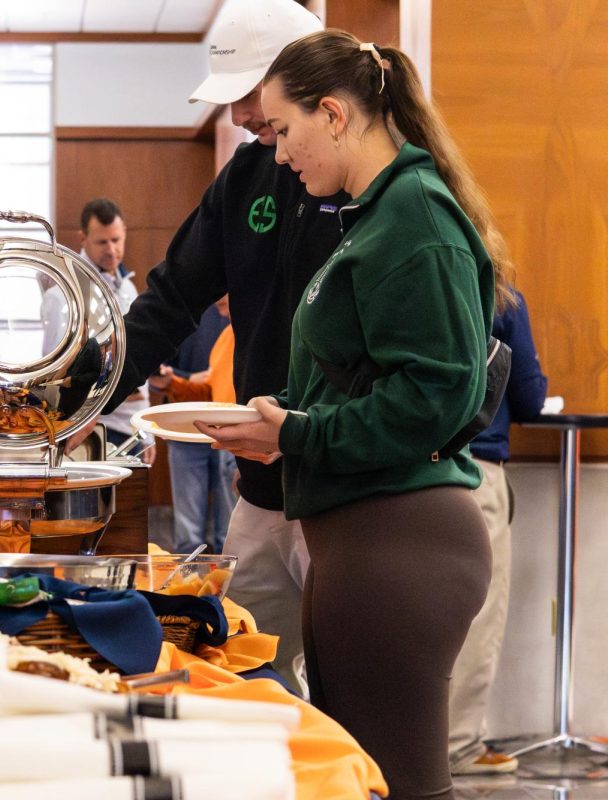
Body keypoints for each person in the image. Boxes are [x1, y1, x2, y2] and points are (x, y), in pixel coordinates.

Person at [210, 29, 516, 800]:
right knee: (360, 778)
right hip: (368, 541)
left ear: (336, 115)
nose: (277, 154)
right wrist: (288, 424)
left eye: (282, 130)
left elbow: (436, 396)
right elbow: (380, 381)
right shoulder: (375, 214)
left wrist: (302, 433)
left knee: (395, 782)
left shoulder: (413, 214)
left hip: (401, 546)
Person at [100, 0, 338, 689]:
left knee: (348, 691)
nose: (238, 120)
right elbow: (171, 297)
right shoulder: (244, 177)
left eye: (247, 101)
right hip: (263, 491)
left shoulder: (374, 185)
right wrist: (89, 389)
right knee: (240, 674)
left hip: (346, 490)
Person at [449, 289, 547, 776]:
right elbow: (529, 397)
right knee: (477, 613)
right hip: (476, 468)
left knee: (411, 614)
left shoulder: (398, 276)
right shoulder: (500, 295)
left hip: (398, 471)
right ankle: (457, 746)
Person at [49, 199, 150, 454]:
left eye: (116, 240)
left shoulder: (128, 286)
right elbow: (57, 374)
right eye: (102, 242)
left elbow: (137, 358)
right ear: (83, 239)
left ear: (125, 232)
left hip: (133, 425)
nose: (111, 250)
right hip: (93, 427)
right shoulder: (63, 293)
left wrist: (145, 430)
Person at [147, 298, 238, 554]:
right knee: (193, 539)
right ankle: (192, 589)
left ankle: (230, 589)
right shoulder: (226, 337)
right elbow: (210, 388)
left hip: (240, 441)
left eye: (224, 303)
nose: (221, 309)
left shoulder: (247, 332)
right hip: (207, 434)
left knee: (231, 536)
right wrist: (173, 383)